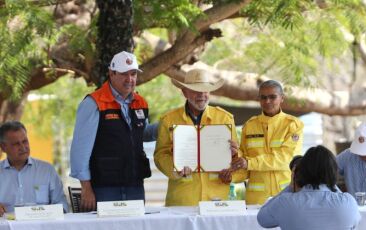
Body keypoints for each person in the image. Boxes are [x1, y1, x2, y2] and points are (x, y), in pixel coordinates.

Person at [70, 51, 153, 212]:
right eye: (124, 74)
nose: (130, 79)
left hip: (135, 186)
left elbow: (143, 134)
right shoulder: (93, 103)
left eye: (133, 74)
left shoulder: (140, 102)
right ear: (111, 74)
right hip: (103, 188)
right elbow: (80, 151)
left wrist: (167, 125)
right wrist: (86, 189)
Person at [154, 69, 245, 206]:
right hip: (182, 200)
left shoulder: (225, 117)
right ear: (184, 92)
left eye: (206, 90)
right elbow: (160, 155)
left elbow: (237, 158)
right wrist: (175, 168)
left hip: (217, 198)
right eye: (196, 90)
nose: (202, 95)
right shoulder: (168, 120)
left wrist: (234, 153)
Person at [231, 80, 304, 204]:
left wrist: (248, 162)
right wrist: (232, 168)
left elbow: (284, 158)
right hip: (255, 200)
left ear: (282, 98)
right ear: (259, 100)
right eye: (263, 98)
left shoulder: (293, 125)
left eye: (272, 97)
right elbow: (244, 168)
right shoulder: (249, 126)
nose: (267, 101)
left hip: (286, 195)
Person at [257, 145, 360, 230]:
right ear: (333, 172)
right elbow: (355, 223)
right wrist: (330, 182)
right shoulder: (348, 203)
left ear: (301, 172)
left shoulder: (285, 202)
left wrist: (292, 185)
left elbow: (262, 218)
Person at [0, 121, 68, 216]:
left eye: (25, 141)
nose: (23, 147)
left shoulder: (47, 170)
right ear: (3, 147)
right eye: (16, 144)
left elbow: (62, 204)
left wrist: (50, 213)